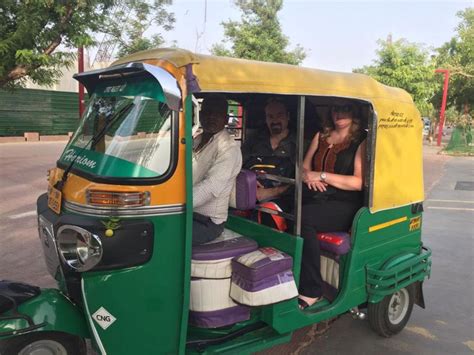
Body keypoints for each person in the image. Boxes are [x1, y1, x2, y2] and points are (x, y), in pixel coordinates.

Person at [298, 102, 366, 309]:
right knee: (280, 211)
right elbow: (303, 167)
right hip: (315, 197)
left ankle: (312, 290)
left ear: (354, 114)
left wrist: (322, 175)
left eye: (346, 109)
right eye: (336, 109)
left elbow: (357, 182)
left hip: (344, 203)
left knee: (304, 218)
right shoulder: (321, 136)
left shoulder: (360, 141)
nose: (340, 113)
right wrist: (308, 177)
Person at [192, 95, 242, 245]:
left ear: (226, 119)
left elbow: (211, 187)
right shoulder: (195, 140)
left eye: (217, 114)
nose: (211, 117)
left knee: (164, 238)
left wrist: (177, 202)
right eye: (207, 112)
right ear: (200, 115)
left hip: (207, 223)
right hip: (187, 213)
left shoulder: (229, 149)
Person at [241, 98, 296, 210]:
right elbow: (236, 166)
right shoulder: (253, 142)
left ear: (288, 116)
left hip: (283, 200)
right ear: (265, 119)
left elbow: (304, 180)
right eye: (270, 116)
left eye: (279, 115)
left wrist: (271, 192)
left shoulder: (299, 144)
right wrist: (249, 182)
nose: (275, 120)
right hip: (247, 195)